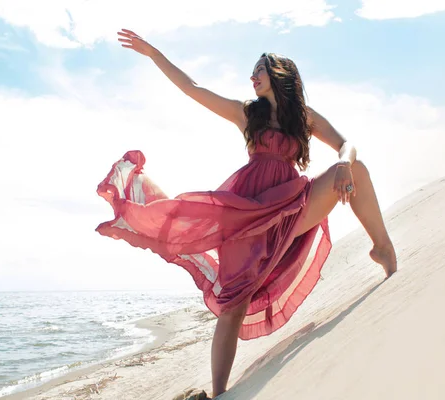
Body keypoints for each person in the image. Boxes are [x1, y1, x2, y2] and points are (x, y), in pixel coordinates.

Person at [95, 28, 397, 399]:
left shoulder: (302, 117)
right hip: (247, 216)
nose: (252, 77)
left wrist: (344, 164)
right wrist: (153, 53)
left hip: (293, 205)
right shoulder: (246, 114)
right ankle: (219, 393)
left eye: (259, 70)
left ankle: (383, 248)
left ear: (279, 75)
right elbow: (192, 89)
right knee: (234, 306)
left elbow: (345, 143)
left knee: (358, 168)